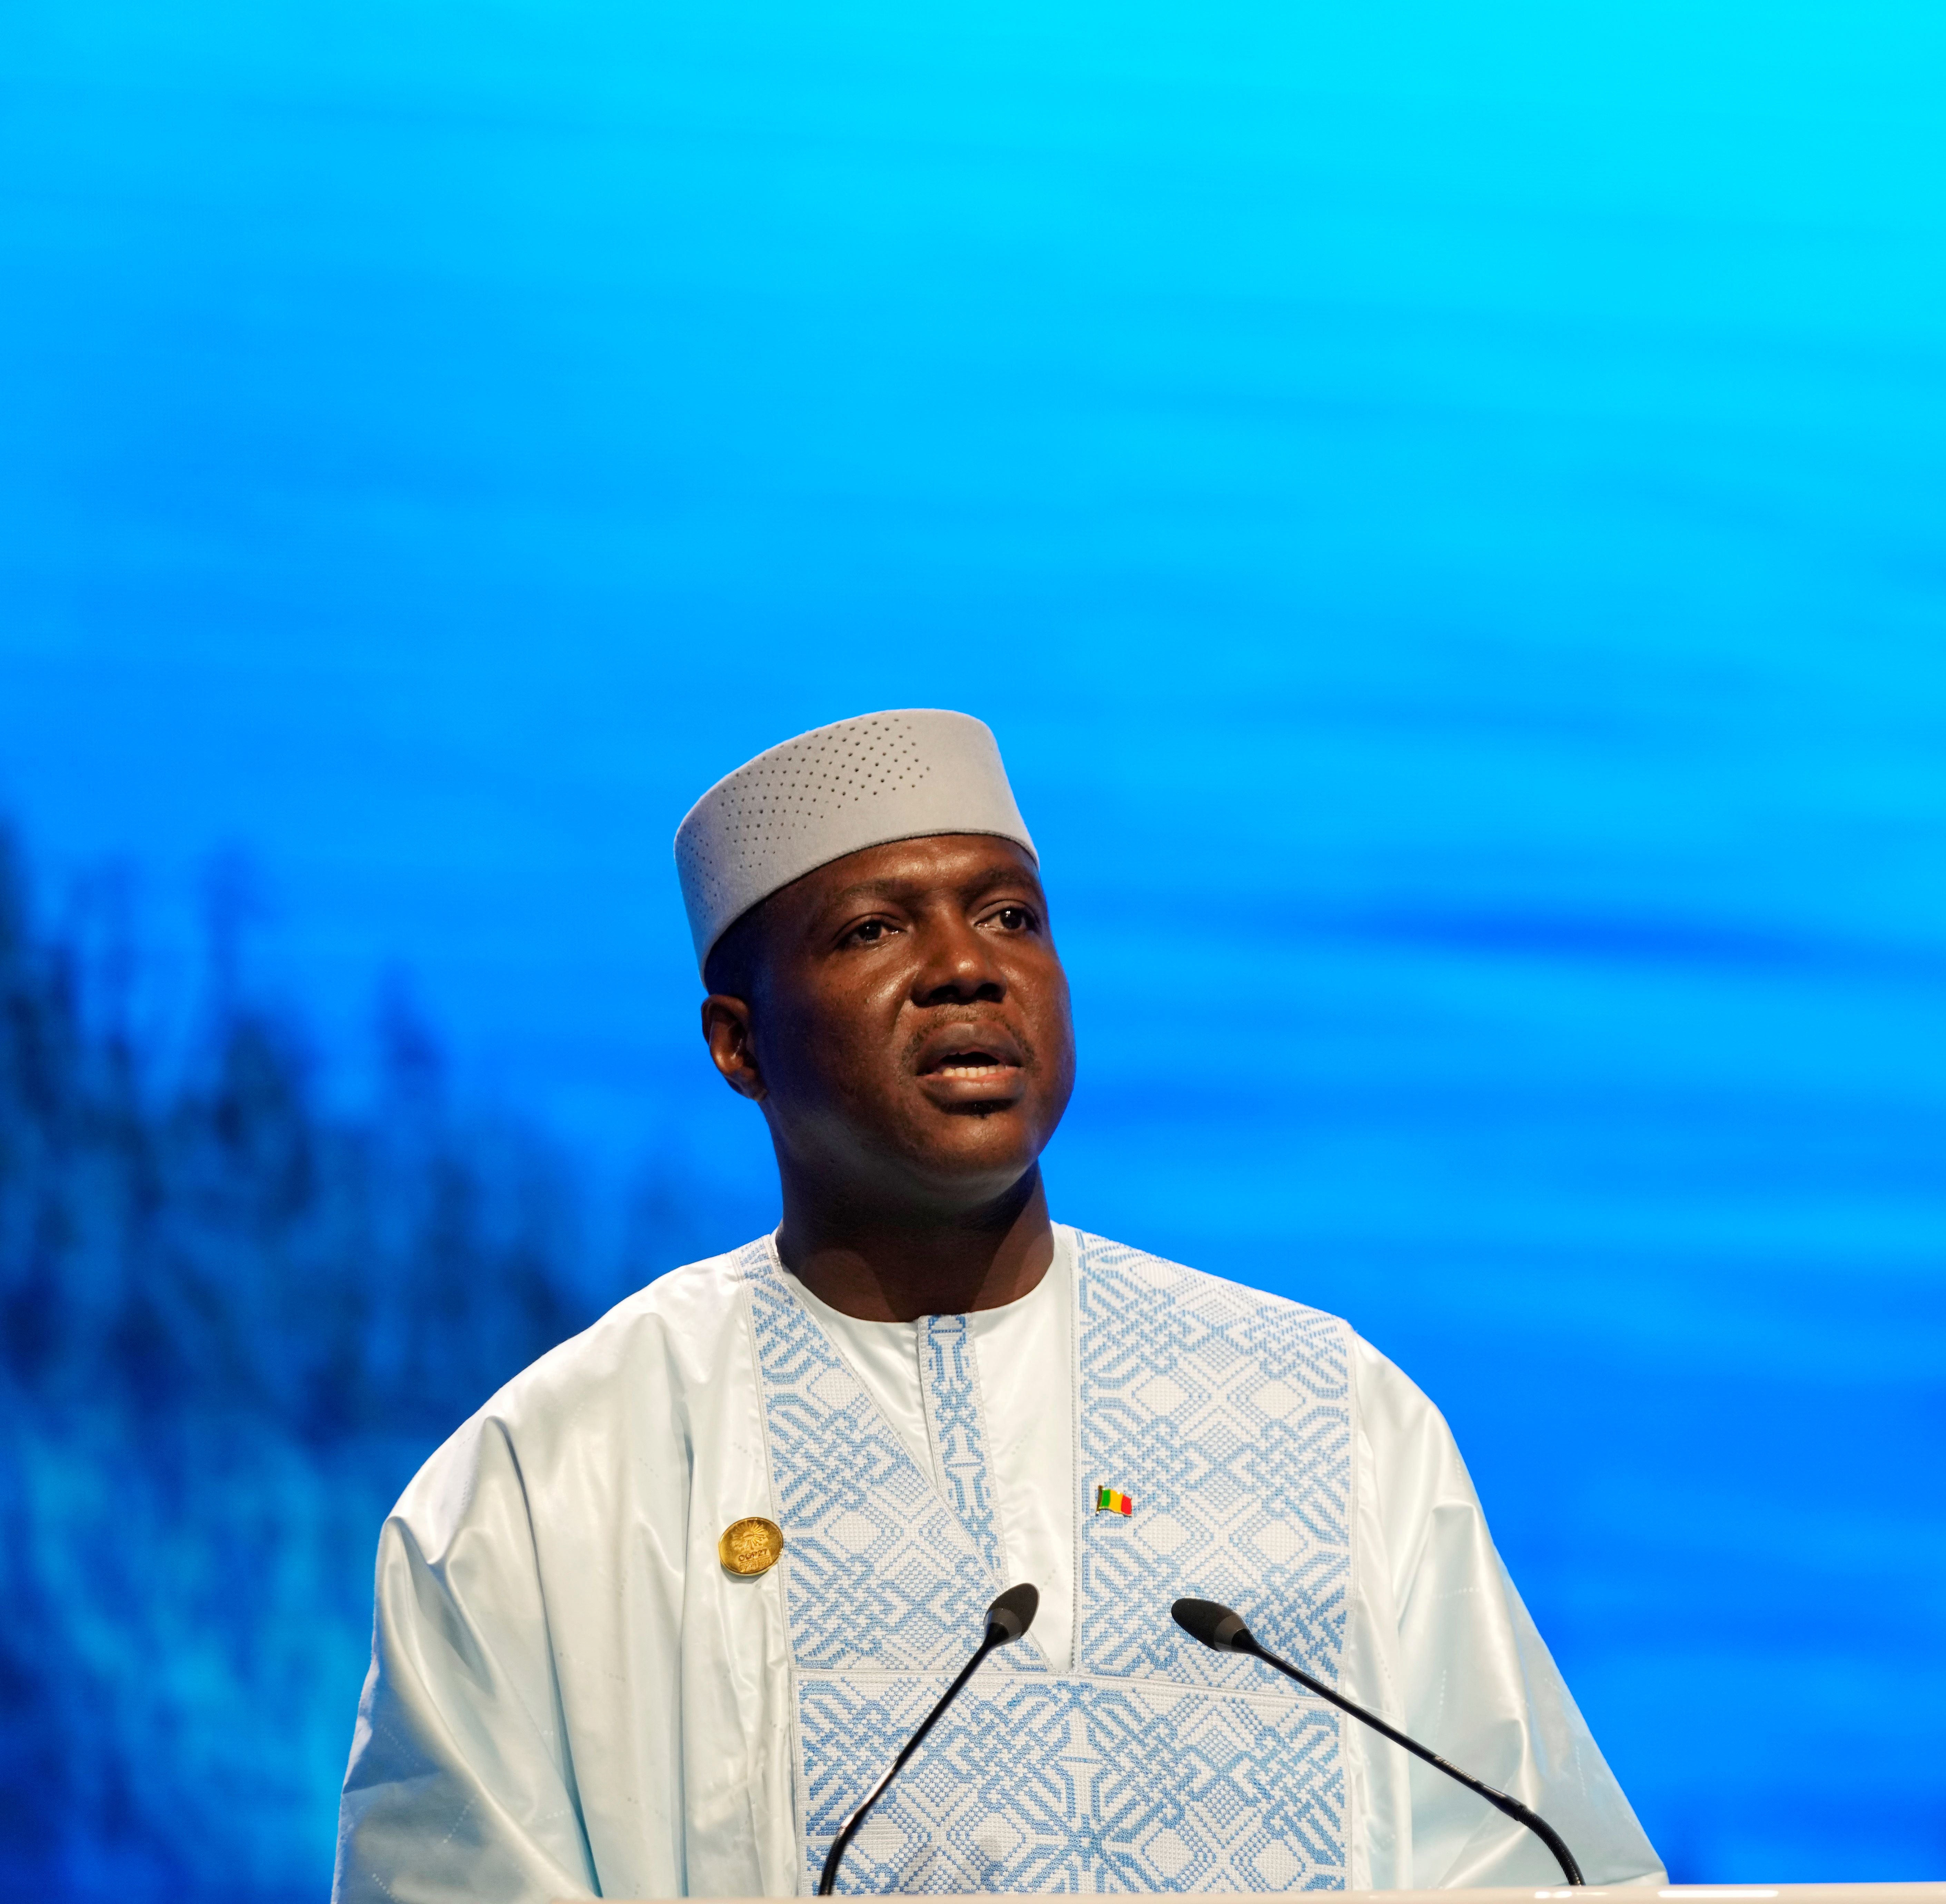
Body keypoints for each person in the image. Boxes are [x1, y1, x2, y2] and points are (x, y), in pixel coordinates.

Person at [334, 709, 1662, 1901]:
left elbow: (1534, 1867)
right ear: (738, 1044)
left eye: (1011, 917)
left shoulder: (1324, 1411)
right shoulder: (555, 1480)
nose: (968, 969)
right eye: (873, 930)